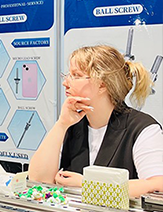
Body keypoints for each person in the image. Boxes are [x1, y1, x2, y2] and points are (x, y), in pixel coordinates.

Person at [29, 44, 163, 197]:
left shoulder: (142, 128)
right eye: (68, 75)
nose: (65, 82)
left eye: (76, 75)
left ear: (102, 84)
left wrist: (87, 184)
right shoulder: (71, 125)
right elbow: (38, 180)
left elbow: (158, 186)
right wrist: (61, 124)